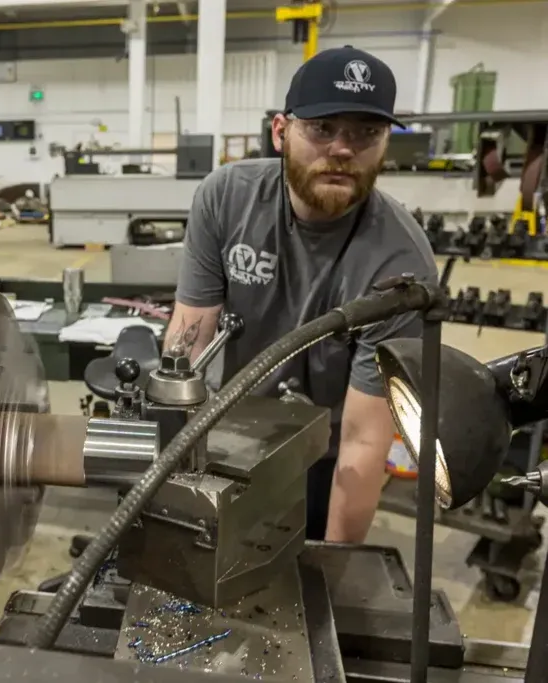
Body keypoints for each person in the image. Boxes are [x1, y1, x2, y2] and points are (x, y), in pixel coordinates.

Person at [167, 46, 438, 543]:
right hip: (226, 430)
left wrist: (335, 569)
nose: (342, 149)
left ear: (384, 144)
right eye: (322, 128)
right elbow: (191, 337)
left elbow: (363, 441)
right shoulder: (226, 198)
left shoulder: (402, 266)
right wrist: (175, 450)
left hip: (321, 451)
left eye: (365, 133)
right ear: (280, 132)